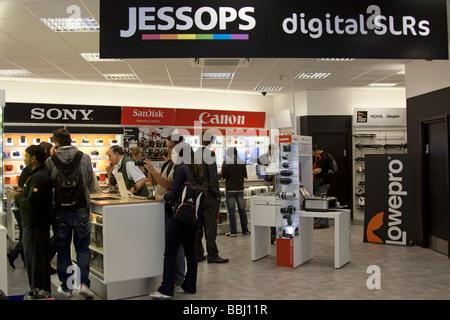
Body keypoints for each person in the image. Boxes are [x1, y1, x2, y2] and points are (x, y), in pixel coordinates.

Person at [46, 128, 99, 299]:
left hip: (60, 210)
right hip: (82, 209)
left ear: (56, 142)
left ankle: (67, 287)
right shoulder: (85, 158)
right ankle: (84, 285)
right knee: (83, 249)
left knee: (63, 250)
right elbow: (91, 184)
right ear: (70, 139)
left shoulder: (51, 160)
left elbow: (48, 185)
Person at [150, 142, 203, 299]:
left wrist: (161, 198)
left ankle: (166, 289)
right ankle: (190, 285)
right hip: (193, 215)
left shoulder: (180, 169)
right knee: (190, 251)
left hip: (180, 215)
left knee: (170, 252)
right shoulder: (196, 169)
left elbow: (174, 193)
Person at [8, 145, 53, 299]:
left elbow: (32, 203)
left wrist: (16, 197)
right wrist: (23, 192)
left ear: (33, 158)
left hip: (35, 225)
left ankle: (39, 292)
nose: (24, 158)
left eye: (26, 155)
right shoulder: (35, 176)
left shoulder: (38, 177)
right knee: (34, 261)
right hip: (33, 224)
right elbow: (33, 198)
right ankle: (37, 290)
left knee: (36, 262)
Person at [144, 134, 185, 287]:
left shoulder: (178, 165)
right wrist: (150, 170)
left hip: (172, 206)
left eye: (170, 146)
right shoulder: (169, 163)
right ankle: (175, 276)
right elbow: (156, 182)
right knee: (171, 243)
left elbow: (168, 186)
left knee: (176, 244)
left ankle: (179, 277)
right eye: (167, 146)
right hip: (165, 205)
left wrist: (154, 171)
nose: (167, 149)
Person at [194, 131, 229, 264]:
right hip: (209, 195)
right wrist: (217, 194)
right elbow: (213, 176)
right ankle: (212, 254)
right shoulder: (210, 154)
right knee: (210, 227)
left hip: (197, 194)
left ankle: (198, 254)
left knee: (198, 226)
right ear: (210, 141)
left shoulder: (194, 154)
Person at [220, 147, 250, 237]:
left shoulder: (226, 163)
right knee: (242, 210)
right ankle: (245, 230)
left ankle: (233, 231)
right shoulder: (242, 162)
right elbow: (245, 175)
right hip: (240, 188)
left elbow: (223, 176)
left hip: (230, 189)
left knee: (231, 211)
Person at [312, 144, 331, 229]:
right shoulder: (326, 155)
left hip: (321, 183)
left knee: (320, 201)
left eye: (313, 152)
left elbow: (318, 170)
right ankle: (324, 222)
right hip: (324, 182)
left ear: (316, 150)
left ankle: (322, 222)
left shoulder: (321, 157)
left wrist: (308, 172)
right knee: (322, 201)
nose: (312, 155)